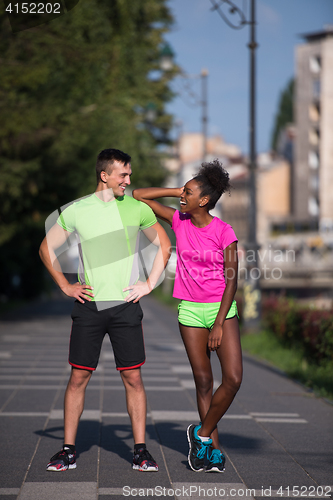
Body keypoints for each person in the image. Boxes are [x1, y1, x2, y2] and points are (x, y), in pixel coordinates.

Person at [39, 148, 171, 472]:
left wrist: (148, 285)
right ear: (105, 175)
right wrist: (65, 286)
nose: (129, 180)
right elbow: (46, 248)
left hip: (126, 305)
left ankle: (140, 450)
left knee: (134, 379)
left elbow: (164, 246)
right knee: (78, 378)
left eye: (129, 174)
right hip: (89, 306)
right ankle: (68, 449)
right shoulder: (77, 210)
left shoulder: (138, 209)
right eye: (123, 175)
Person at [133, 159, 242, 473]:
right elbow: (140, 194)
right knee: (204, 381)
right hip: (190, 310)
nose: (183, 195)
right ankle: (212, 452)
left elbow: (232, 278)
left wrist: (220, 323)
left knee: (233, 379)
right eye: (183, 190)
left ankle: (201, 434)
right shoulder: (179, 220)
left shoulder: (224, 231)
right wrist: (174, 189)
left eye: (189, 191)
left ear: (204, 200)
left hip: (222, 310)